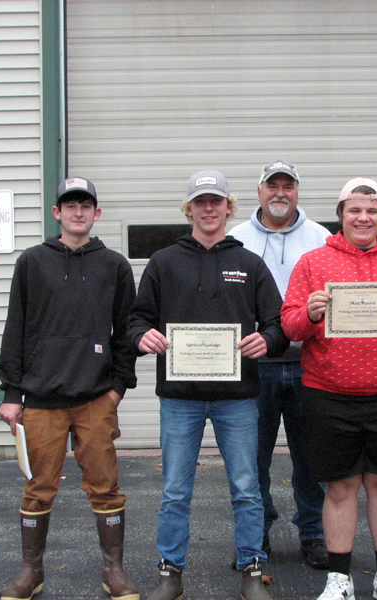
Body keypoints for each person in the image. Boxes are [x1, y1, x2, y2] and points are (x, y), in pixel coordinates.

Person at [126, 170, 288, 600]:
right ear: (190, 208)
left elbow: (278, 323)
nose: (209, 208)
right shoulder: (164, 262)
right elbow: (136, 319)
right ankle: (170, 573)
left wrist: (267, 340)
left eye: (217, 201)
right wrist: (142, 336)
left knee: (246, 488)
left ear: (229, 206)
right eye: (201, 201)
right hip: (181, 399)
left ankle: (252, 568)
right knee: (176, 490)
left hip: (238, 398)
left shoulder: (249, 262)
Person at [281, 178, 377, 600]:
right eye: (354, 210)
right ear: (341, 215)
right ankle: (340, 578)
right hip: (328, 395)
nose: (363, 217)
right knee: (339, 488)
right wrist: (311, 314)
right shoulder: (313, 262)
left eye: (371, 210)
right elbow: (290, 324)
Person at [0, 177, 139, 600]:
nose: (78, 212)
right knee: (38, 488)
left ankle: (113, 570)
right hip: (41, 400)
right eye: (70, 205)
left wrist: (117, 388)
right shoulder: (33, 261)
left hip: (96, 398)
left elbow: (126, 332)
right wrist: (10, 392)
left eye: (86, 205)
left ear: (97, 214)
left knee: (105, 486)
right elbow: (15, 328)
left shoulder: (114, 265)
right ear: (56, 213)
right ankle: (31, 572)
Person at [228, 160, 330, 569]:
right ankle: (259, 533)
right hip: (257, 365)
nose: (280, 193)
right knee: (255, 459)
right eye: (273, 186)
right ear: (259, 192)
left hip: (311, 362)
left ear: (297, 193)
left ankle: (314, 533)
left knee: (313, 457)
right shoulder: (236, 239)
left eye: (288, 186)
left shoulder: (321, 237)